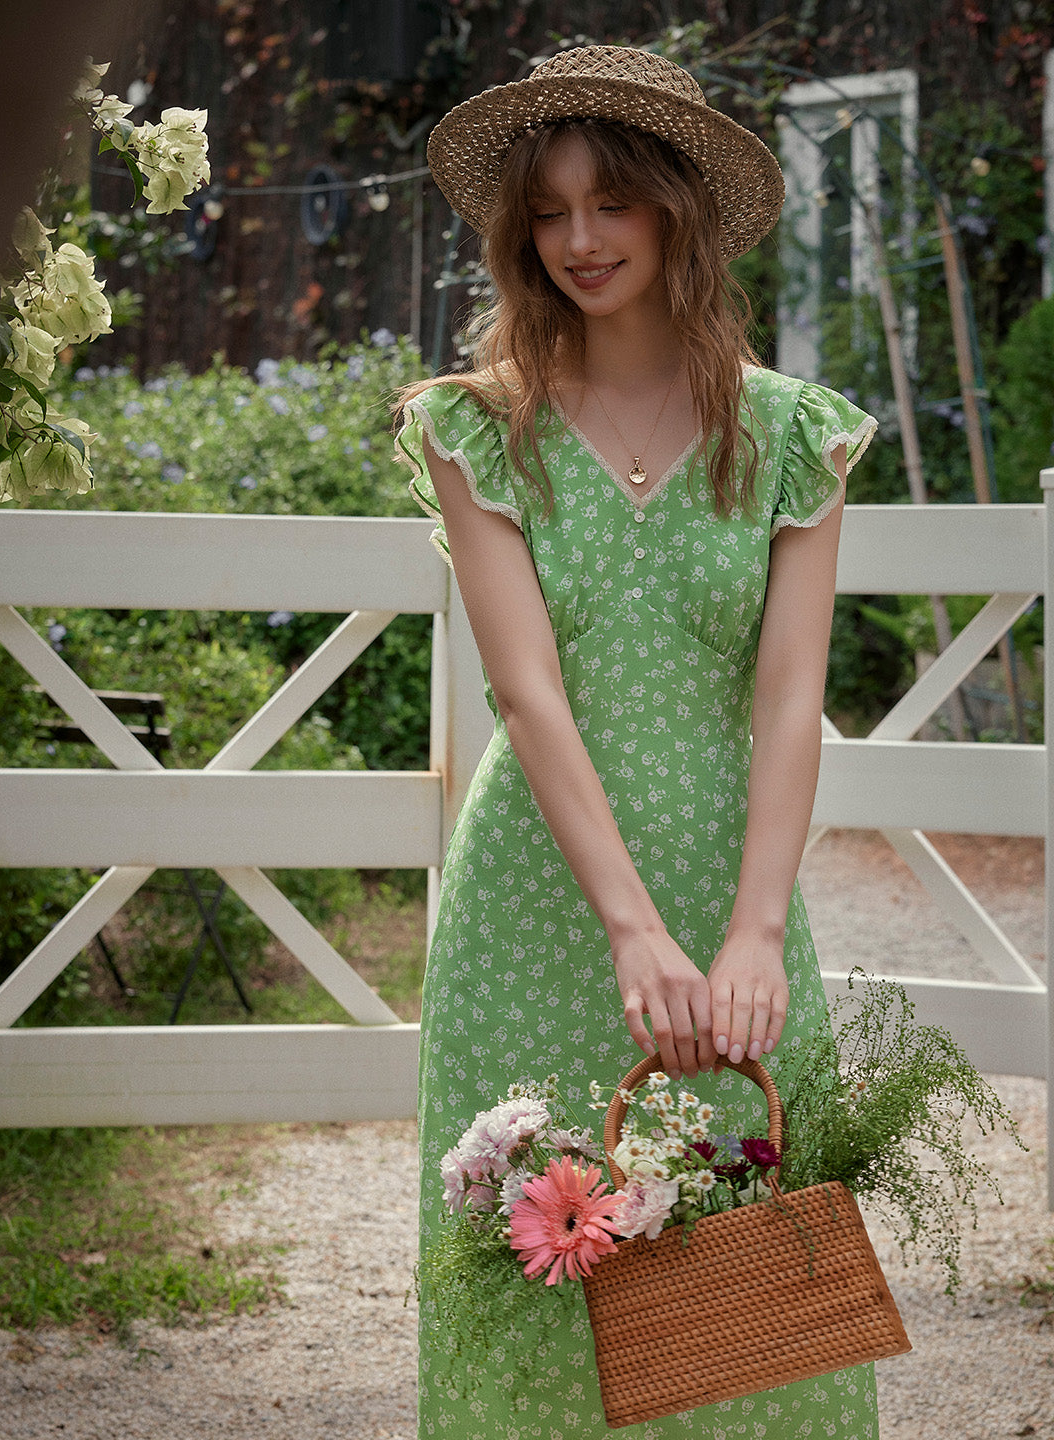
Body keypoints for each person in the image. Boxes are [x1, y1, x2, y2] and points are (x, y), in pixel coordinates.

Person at [395, 44, 878, 1440]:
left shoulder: (790, 435)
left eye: (612, 201)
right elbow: (527, 693)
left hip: (735, 888)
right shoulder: (481, 428)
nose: (581, 240)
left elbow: (793, 697)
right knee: (532, 1267)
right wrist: (629, 927)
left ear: (680, 210)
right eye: (547, 212)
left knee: (751, 1276)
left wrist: (753, 932)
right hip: (544, 899)